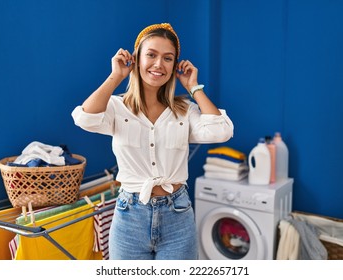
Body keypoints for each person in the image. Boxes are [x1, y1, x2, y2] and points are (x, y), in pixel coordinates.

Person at [71, 23, 234, 260]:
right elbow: (85, 118)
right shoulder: (117, 107)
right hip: (129, 218)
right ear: (135, 59)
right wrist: (116, 76)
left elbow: (221, 131)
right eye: (151, 55)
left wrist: (193, 87)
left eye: (168, 58)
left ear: (174, 65)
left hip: (177, 216)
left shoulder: (184, 111)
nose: (159, 64)